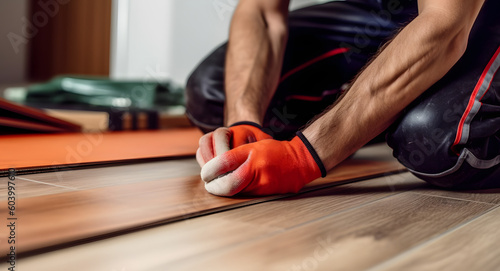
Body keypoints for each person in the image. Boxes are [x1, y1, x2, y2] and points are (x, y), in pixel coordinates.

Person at [185, 0, 500, 196]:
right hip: (383, 10)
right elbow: (262, 12)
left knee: (439, 142)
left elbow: (446, 24)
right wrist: (244, 119)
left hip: (473, 11)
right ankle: (371, 118)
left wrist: (304, 155)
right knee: (213, 94)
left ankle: (370, 120)